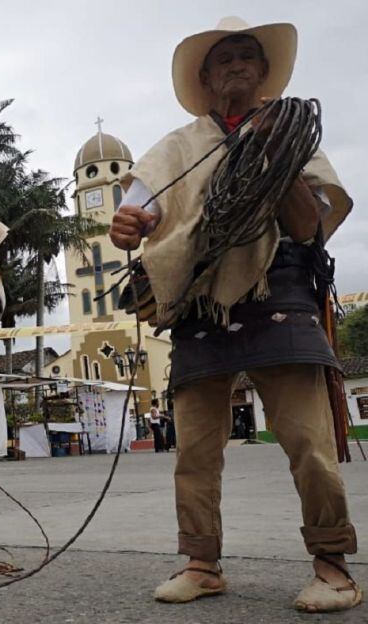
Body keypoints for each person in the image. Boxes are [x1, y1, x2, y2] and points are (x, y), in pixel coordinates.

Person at [111, 17, 360, 612]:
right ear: (206, 76)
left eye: (247, 55)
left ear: (264, 70)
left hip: (281, 301)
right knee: (195, 450)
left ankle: (334, 567)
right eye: (223, 58)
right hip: (199, 308)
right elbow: (135, 208)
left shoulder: (295, 133)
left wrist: (275, 157)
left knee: (308, 441)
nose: (237, 65)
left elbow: (309, 227)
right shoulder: (176, 146)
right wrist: (128, 223)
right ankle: (202, 563)